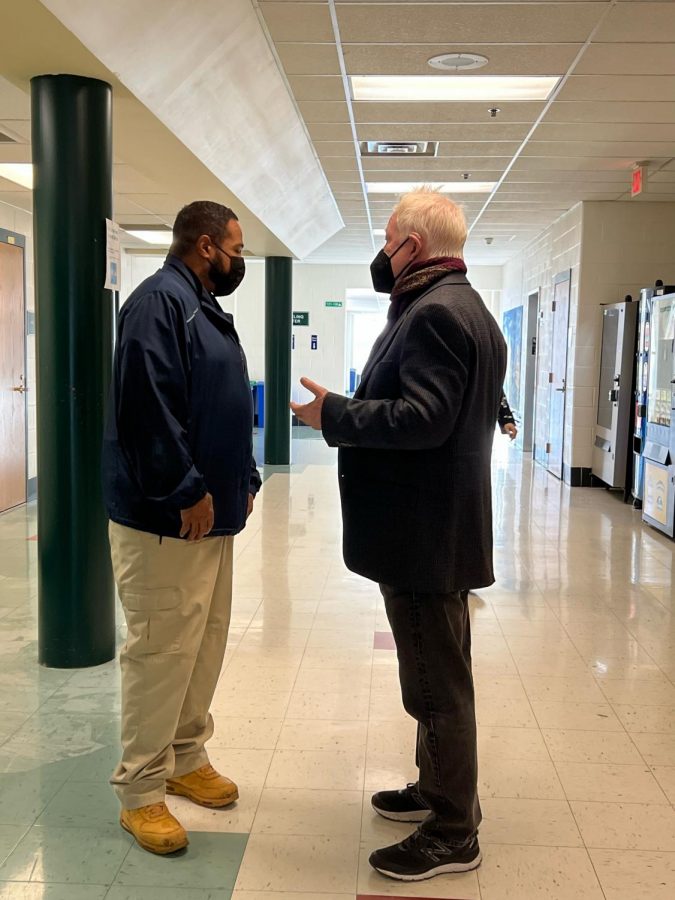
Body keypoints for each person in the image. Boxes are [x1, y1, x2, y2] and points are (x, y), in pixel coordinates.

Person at [291, 187, 506, 882]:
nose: (382, 251)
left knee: (435, 685)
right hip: (438, 526)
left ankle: (451, 832)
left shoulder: (436, 315)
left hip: (423, 535)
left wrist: (337, 415)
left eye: (387, 238)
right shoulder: (462, 307)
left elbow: (423, 420)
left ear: (411, 245)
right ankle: (433, 791)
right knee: (437, 673)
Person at [102, 200, 261, 855]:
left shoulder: (203, 304)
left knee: (202, 644)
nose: (238, 259)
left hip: (211, 520)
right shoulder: (158, 304)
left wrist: (243, 481)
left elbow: (222, 402)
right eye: (235, 247)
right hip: (168, 520)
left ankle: (186, 756)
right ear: (204, 245)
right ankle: (140, 791)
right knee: (161, 652)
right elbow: (147, 409)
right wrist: (185, 489)